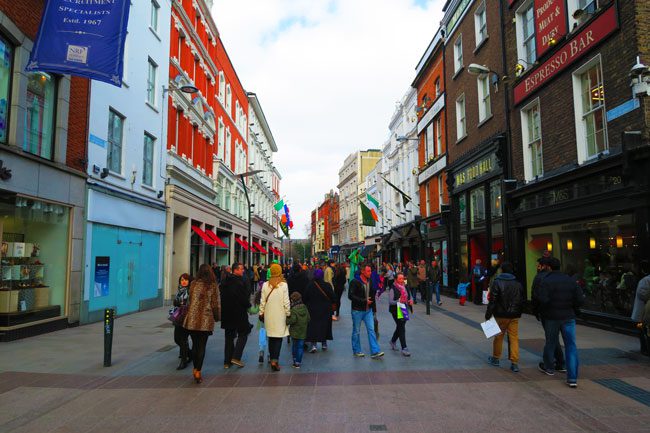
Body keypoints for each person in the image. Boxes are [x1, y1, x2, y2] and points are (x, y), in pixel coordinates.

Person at [535, 257, 585, 388]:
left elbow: (542, 299)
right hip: (568, 316)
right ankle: (572, 377)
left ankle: (549, 367)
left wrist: (544, 309)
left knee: (551, 342)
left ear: (549, 267)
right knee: (571, 346)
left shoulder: (546, 281)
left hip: (552, 317)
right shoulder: (570, 281)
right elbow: (580, 299)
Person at [183, 264, 220, 384]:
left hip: (193, 319)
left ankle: (195, 368)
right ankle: (198, 370)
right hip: (205, 318)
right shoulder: (213, 286)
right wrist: (217, 317)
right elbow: (215, 304)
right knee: (202, 346)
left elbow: (190, 300)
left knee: (194, 344)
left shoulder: (193, 284)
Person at [485, 262, 525, 372]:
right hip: (514, 315)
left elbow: (493, 300)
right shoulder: (517, 283)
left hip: (500, 314)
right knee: (514, 338)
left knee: (498, 336)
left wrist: (488, 313)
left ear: (502, 270)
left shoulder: (497, 282)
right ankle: (514, 363)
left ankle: (496, 358)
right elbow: (521, 299)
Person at [531, 256, 565, 371]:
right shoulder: (563, 277)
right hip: (564, 312)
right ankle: (560, 362)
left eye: (539, 264)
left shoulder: (540, 278)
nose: (537, 266)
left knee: (551, 337)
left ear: (545, 266)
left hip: (548, 312)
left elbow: (535, 296)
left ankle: (555, 363)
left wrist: (535, 311)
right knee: (556, 338)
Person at [259, 263, 290, 371]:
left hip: (269, 315)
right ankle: (274, 360)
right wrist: (288, 313)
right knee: (278, 338)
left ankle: (272, 358)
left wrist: (261, 312)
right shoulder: (283, 285)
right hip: (280, 315)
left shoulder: (265, 285)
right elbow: (286, 302)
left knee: (271, 337)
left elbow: (262, 301)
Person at [220, 263, 252, 369]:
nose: (243, 271)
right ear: (235, 270)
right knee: (244, 332)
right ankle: (236, 357)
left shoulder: (225, 282)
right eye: (241, 269)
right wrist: (249, 306)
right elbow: (243, 298)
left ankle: (227, 361)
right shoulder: (238, 282)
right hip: (238, 313)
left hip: (227, 313)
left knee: (229, 337)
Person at [349, 265, 383, 358]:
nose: (370, 273)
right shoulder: (355, 282)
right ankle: (356, 350)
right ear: (362, 271)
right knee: (356, 331)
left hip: (368, 310)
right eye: (368, 271)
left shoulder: (370, 281)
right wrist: (364, 301)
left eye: (370, 271)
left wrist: (374, 310)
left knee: (371, 330)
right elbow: (350, 296)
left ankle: (375, 351)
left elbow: (372, 297)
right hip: (357, 311)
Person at [303, 268, 335, 352]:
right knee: (324, 326)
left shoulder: (310, 285)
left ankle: (314, 345)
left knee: (313, 326)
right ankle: (324, 344)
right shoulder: (327, 285)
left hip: (312, 310)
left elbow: (305, 298)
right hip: (325, 309)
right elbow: (333, 297)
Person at [388, 272, 413, 356]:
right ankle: (404, 348)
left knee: (400, 326)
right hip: (395, 309)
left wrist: (410, 300)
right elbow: (391, 302)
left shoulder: (405, 286)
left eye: (403, 278)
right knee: (401, 327)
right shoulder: (393, 288)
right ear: (395, 279)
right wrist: (398, 300)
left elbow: (409, 295)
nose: (402, 280)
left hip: (403, 308)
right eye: (400, 279)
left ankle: (393, 341)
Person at [173, 273, 192, 370]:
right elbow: (176, 302)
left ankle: (184, 361)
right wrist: (179, 303)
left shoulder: (190, 291)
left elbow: (188, 304)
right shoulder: (179, 290)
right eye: (182, 280)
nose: (184, 281)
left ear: (189, 281)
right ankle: (190, 353)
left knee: (183, 339)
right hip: (178, 317)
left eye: (186, 280)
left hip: (186, 317)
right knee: (177, 339)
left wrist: (181, 303)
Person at [631, 261, 650, 355]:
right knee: (642, 329)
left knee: (643, 330)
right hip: (642, 313)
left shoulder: (645, 279)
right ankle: (644, 348)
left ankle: (645, 348)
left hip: (644, 313)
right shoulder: (646, 280)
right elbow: (642, 294)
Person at [287, 292, 311, 368]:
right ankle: (298, 362)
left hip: (294, 331)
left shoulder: (293, 309)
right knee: (300, 347)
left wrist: (287, 320)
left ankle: (294, 360)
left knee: (294, 346)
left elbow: (292, 320)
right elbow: (308, 318)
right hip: (303, 331)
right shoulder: (305, 307)